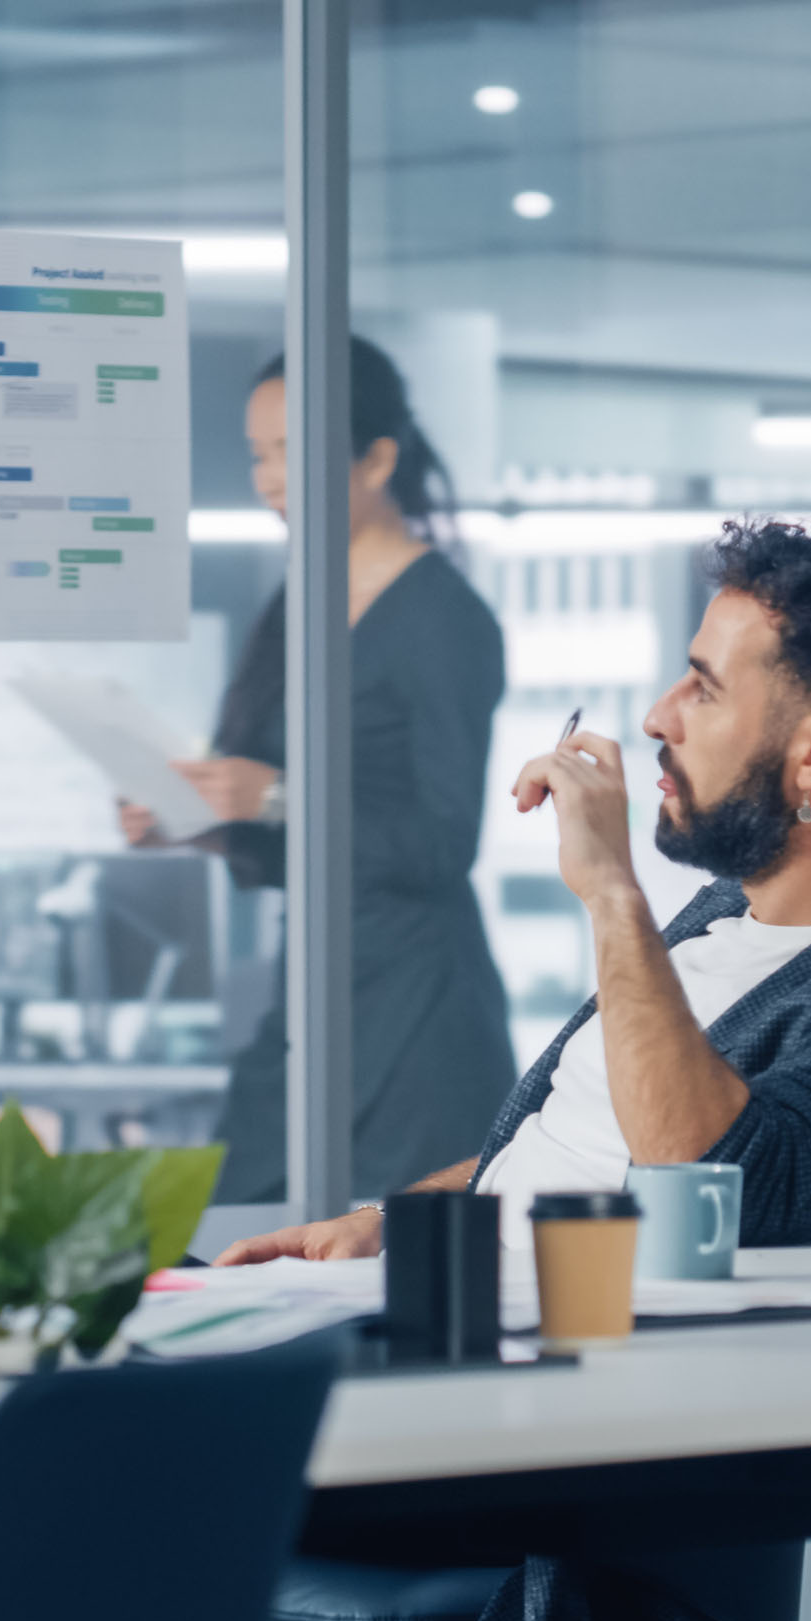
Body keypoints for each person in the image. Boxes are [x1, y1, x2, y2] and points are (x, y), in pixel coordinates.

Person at [223, 517, 811, 1263]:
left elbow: (717, 1183)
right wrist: (394, 1221)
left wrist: (612, 892)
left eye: (705, 688)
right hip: (451, 1290)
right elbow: (574, 1152)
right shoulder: (717, 922)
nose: (660, 717)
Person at [130, 341, 512, 1199]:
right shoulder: (300, 597)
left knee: (383, 1277)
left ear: (376, 457)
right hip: (314, 987)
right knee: (232, 1226)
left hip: (417, 1010)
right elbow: (291, 821)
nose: (269, 477)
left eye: (291, 453)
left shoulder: (442, 618)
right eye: (258, 455)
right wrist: (198, 817)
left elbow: (445, 841)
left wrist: (274, 797)